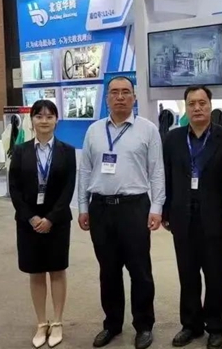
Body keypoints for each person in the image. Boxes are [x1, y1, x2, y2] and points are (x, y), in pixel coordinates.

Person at [77, 76, 165, 349]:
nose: (120, 97)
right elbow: (85, 171)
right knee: (108, 271)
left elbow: (157, 171)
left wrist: (157, 207)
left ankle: (144, 325)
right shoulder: (93, 131)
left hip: (134, 207)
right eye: (114, 92)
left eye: (126, 92)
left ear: (134, 98)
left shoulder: (147, 130)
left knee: (140, 271)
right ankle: (112, 324)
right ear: (106, 98)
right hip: (100, 208)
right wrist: (82, 206)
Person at [162, 85, 222, 349]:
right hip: (182, 216)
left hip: (214, 216)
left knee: (215, 274)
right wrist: (165, 210)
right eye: (192, 103)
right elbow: (167, 176)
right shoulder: (173, 138)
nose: (197, 108)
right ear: (185, 107)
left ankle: (215, 326)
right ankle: (191, 324)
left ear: (210, 105)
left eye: (202, 103)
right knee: (187, 273)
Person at [9, 100, 76, 349]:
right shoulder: (20, 151)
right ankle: (41, 322)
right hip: (29, 222)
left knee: (57, 270)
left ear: (57, 120)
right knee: (35, 272)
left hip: (57, 222)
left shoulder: (67, 151)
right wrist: (32, 217)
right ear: (32, 120)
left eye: (49, 116)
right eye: (39, 116)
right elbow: (14, 189)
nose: (44, 121)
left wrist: (50, 218)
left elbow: (68, 188)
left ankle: (57, 321)